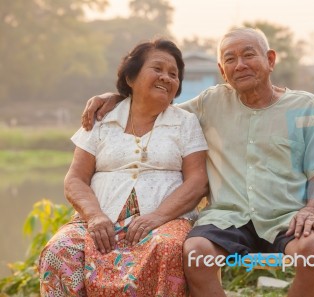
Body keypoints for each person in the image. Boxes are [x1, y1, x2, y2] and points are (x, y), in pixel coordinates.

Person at [81, 28, 314, 297]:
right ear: (222, 70)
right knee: (196, 253)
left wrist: (312, 209)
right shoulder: (209, 103)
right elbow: (158, 106)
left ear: (270, 60)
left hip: (288, 216)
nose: (240, 65)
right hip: (228, 218)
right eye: (230, 59)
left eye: (249, 55)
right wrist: (118, 98)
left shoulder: (304, 106)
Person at [39, 38, 208, 297]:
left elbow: (197, 181)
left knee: (166, 247)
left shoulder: (186, 123)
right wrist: (95, 216)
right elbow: (75, 178)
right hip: (98, 219)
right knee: (59, 250)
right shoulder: (101, 119)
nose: (166, 77)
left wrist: (159, 216)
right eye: (158, 69)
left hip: (165, 221)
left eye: (173, 74)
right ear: (131, 77)